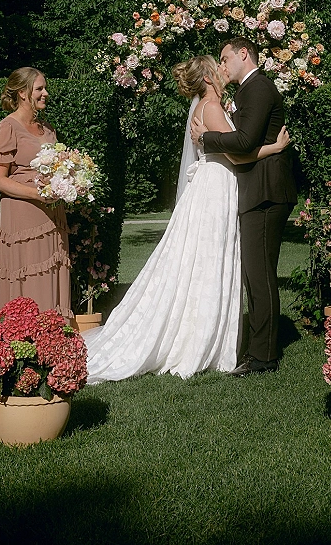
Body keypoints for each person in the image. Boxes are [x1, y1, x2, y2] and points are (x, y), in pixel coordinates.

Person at [85, 55, 290, 382]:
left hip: (216, 184)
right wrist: (274, 148)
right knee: (207, 261)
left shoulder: (212, 106)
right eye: (218, 66)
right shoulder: (210, 107)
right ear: (209, 77)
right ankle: (197, 337)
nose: (224, 71)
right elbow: (237, 154)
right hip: (216, 186)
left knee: (202, 260)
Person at [191, 39, 297, 376]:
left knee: (260, 273)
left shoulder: (258, 88)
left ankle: (263, 356)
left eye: (224, 58)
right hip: (257, 190)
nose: (221, 66)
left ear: (243, 54)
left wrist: (206, 138)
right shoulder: (246, 91)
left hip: (266, 191)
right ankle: (259, 349)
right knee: (256, 274)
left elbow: (246, 141)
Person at [0, 67, 71, 317]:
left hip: (52, 214)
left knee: (52, 273)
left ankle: (55, 343)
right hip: (23, 216)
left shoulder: (48, 129)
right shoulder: (7, 127)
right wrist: (37, 195)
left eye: (45, 88)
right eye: (39, 89)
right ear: (22, 93)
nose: (45, 93)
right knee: (28, 280)